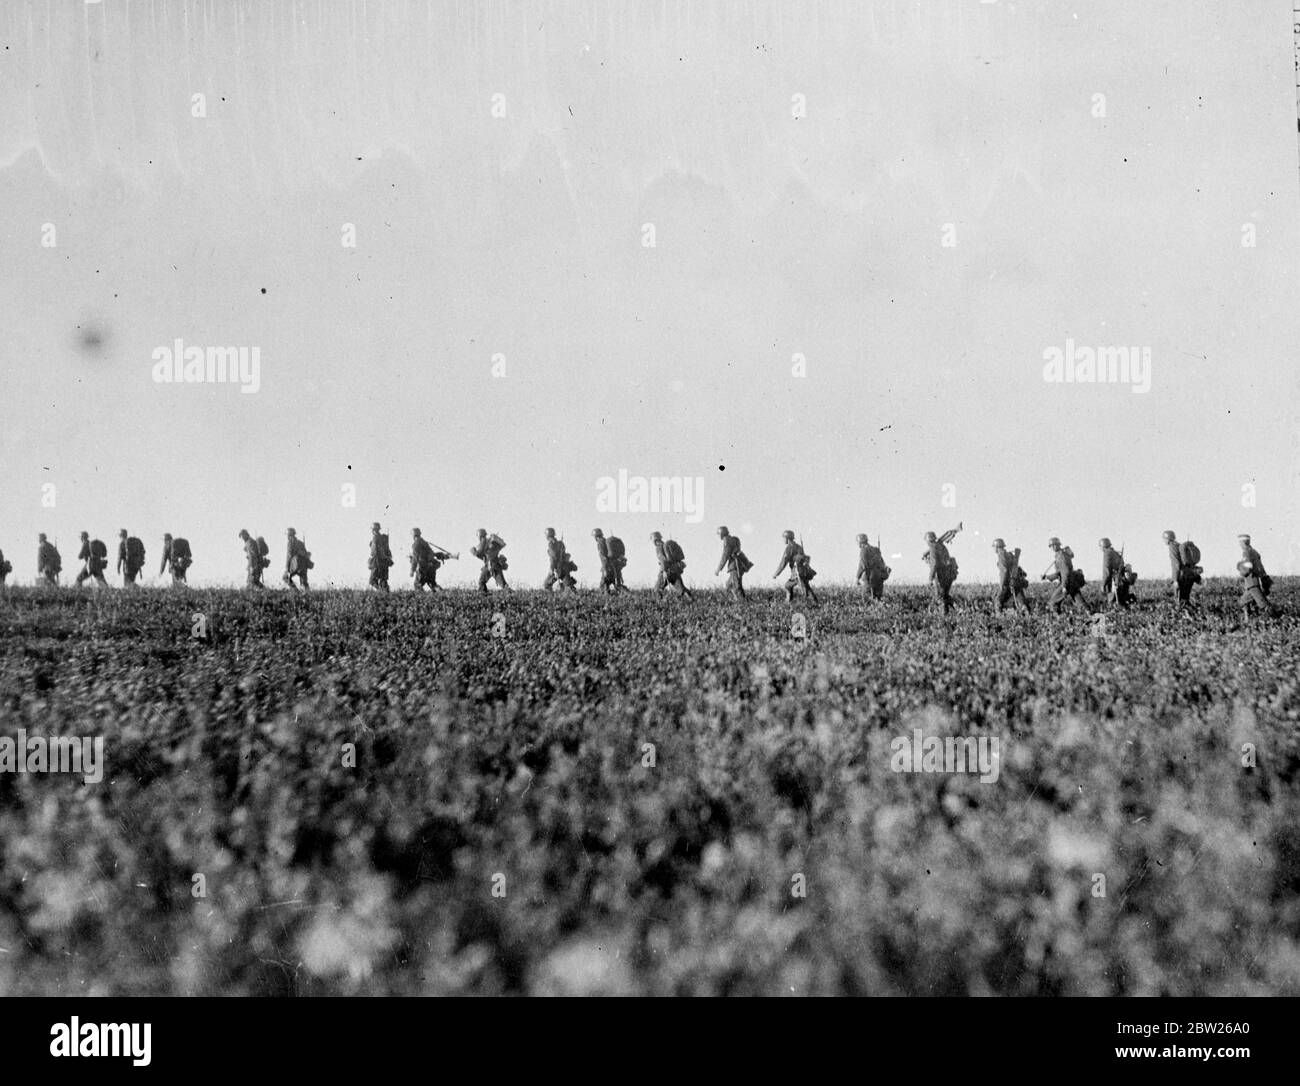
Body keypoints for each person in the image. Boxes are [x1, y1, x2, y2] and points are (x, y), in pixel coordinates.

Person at [1043, 537, 1087, 613]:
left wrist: (1064, 586)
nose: (1052, 548)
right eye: (1051, 546)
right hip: (1073, 582)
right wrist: (1047, 577)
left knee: (1053, 603)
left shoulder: (1061, 556)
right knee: (1080, 602)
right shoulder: (1062, 555)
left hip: (1067, 582)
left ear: (1058, 545)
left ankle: (1059, 620)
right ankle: (1091, 615)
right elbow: (1059, 573)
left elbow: (1065, 572)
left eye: (1054, 545)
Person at [773, 530, 818, 602]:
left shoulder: (789, 548)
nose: (783, 540)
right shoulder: (799, 547)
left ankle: (814, 603)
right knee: (789, 585)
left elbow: (783, 563)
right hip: (803, 571)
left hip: (797, 572)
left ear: (787, 538)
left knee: (804, 588)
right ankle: (814, 602)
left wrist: (776, 574)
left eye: (784, 538)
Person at [921, 530, 958, 614]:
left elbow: (934, 564)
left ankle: (944, 616)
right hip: (949, 574)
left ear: (928, 540)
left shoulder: (933, 548)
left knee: (940, 597)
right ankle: (959, 609)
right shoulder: (941, 546)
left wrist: (930, 578)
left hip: (942, 575)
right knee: (945, 596)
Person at [1163, 530, 1200, 609]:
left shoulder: (1172, 547)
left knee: (1180, 601)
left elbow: (1176, 564)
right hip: (1190, 575)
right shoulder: (1179, 545)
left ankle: (1184, 617)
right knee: (1186, 599)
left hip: (1182, 576)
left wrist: (1175, 580)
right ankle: (1194, 614)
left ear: (1167, 539)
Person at [993, 538, 1030, 613]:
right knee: (1021, 602)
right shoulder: (1010, 554)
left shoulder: (1001, 555)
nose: (994, 549)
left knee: (998, 600)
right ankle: (1027, 616)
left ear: (997, 547)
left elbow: (1004, 570)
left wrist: (1002, 584)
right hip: (1016, 581)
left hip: (1008, 583)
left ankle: (999, 618)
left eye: (994, 547)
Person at [652, 530, 692, 599]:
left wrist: (664, 571)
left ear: (654, 540)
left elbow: (663, 560)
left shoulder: (659, 548)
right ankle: (691, 599)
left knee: (657, 589)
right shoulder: (666, 545)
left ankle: (660, 605)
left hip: (666, 571)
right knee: (681, 589)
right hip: (675, 571)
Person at [715, 526, 750, 600]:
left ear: (722, 533)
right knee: (729, 585)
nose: (718, 536)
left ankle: (743, 602)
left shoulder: (726, 540)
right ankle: (733, 601)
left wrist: (719, 569)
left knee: (737, 587)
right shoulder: (735, 539)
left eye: (718, 534)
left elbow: (725, 555)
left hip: (734, 566)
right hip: (739, 565)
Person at [471, 529, 509, 594]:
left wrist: (473, 551)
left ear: (480, 535)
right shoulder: (491, 542)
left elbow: (479, 553)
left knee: (481, 582)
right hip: (496, 564)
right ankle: (512, 595)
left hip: (490, 565)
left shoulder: (484, 541)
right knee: (503, 584)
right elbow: (485, 555)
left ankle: (483, 596)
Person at [1098, 538, 1132, 609]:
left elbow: (1106, 571)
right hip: (1121, 580)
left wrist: (1103, 584)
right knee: (1121, 599)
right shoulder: (1115, 552)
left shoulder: (1107, 554)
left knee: (1113, 602)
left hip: (1115, 580)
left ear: (1103, 546)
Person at [855, 533, 890, 600]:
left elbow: (863, 565)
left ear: (860, 542)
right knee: (878, 599)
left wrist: (857, 578)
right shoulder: (876, 550)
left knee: (867, 600)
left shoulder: (863, 550)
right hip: (879, 578)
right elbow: (882, 563)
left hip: (869, 579)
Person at [1238, 534, 1272, 600]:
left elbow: (1247, 569)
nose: (1239, 544)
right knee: (1244, 603)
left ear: (1243, 542)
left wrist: (1240, 568)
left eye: (1240, 542)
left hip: (1252, 583)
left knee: (1263, 605)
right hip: (1255, 582)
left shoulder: (1246, 552)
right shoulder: (1254, 552)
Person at [369, 522, 393, 591]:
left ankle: (381, 591)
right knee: (383, 581)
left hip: (377, 562)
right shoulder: (383, 538)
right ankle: (386, 594)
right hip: (384, 562)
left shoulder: (375, 538)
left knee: (372, 580)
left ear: (373, 530)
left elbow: (375, 552)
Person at [592, 529, 617, 594]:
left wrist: (605, 568)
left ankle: (606, 598)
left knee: (603, 585)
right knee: (614, 584)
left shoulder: (600, 542)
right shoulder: (605, 540)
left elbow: (603, 557)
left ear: (595, 536)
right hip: (612, 565)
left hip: (607, 566)